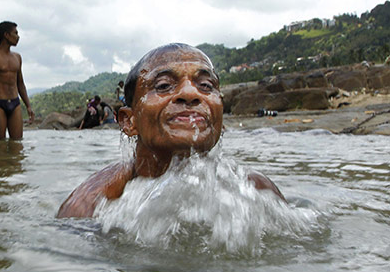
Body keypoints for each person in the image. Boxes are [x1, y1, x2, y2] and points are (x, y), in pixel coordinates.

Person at [58, 43, 284, 218]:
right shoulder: (90, 207)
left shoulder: (259, 193)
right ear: (129, 121)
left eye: (206, 86)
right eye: (164, 86)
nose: (190, 93)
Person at [0, 21, 35, 139]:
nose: (18, 36)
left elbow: (20, 83)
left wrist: (28, 106)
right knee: (0, 144)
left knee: (17, 143)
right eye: (15, 33)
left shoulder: (17, 57)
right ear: (6, 35)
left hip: (15, 103)